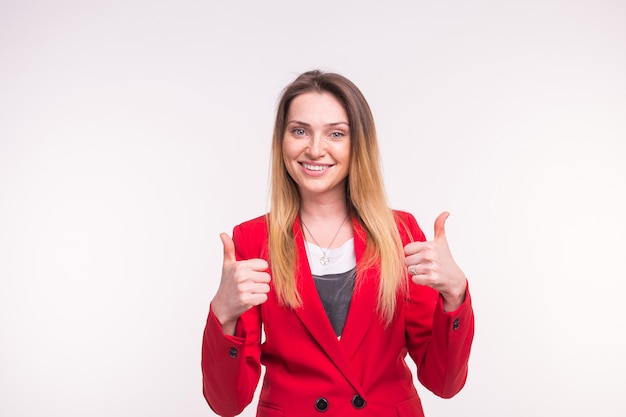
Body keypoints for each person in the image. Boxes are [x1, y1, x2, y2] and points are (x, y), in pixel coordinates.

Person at [201, 69, 474, 417]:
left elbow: (444, 383)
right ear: (281, 141)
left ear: (357, 143)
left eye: (336, 134)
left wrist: (455, 294)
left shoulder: (401, 233)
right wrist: (222, 314)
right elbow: (227, 403)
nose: (315, 149)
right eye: (299, 131)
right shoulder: (252, 239)